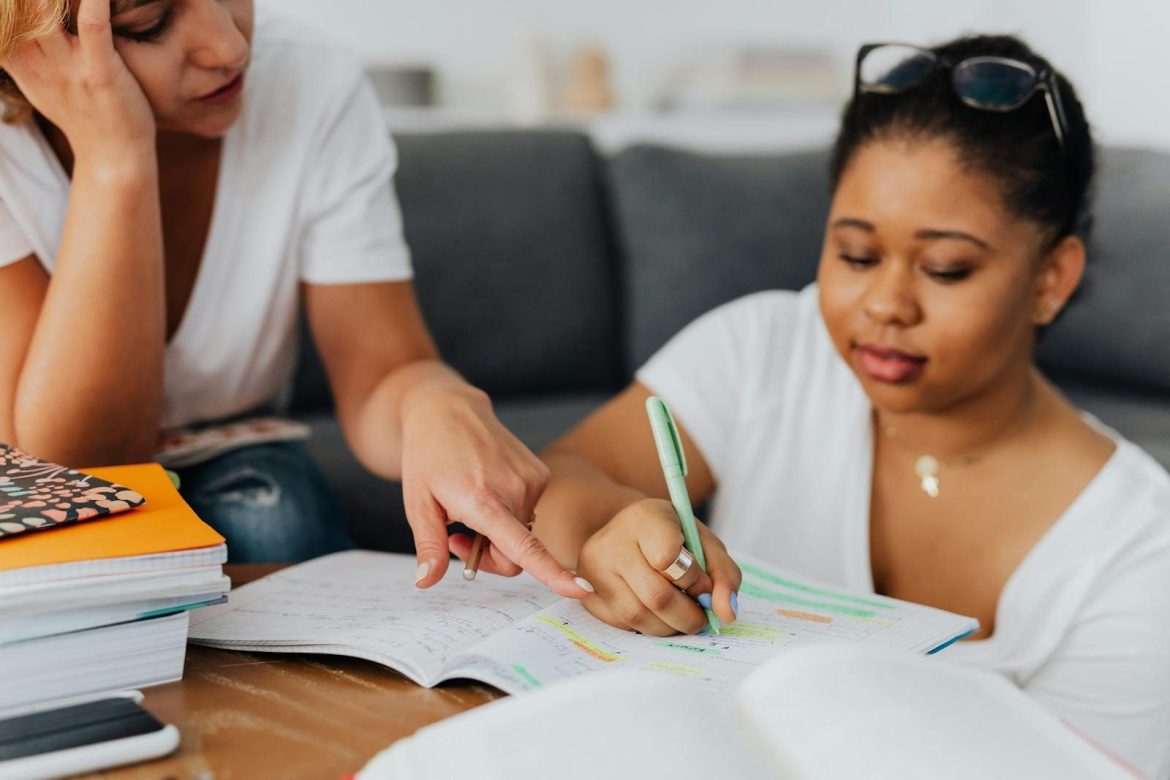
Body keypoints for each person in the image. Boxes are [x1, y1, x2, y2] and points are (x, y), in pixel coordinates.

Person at [523, 36, 1170, 777]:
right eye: (857, 256)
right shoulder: (768, 349)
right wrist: (612, 528)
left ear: (1052, 279)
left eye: (945, 269)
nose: (886, 304)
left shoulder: (1139, 553)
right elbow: (558, 478)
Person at [0, 0, 590, 599]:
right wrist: (115, 158)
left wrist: (434, 404)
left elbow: (384, 371)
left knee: (275, 516)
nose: (230, 48)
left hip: (232, 448)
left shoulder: (310, 80)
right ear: (25, 41)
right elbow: (71, 464)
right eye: (149, 22)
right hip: (32, 477)